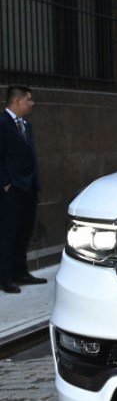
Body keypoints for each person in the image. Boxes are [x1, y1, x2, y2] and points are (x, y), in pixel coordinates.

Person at [1, 86, 46, 294]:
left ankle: (21, 271)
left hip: (28, 188)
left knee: (24, 232)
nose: (32, 103)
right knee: (8, 233)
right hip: (11, 190)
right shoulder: (2, 124)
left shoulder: (26, 125)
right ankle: (5, 276)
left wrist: (35, 183)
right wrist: (5, 184)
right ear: (17, 101)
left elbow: (30, 156)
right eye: (29, 100)